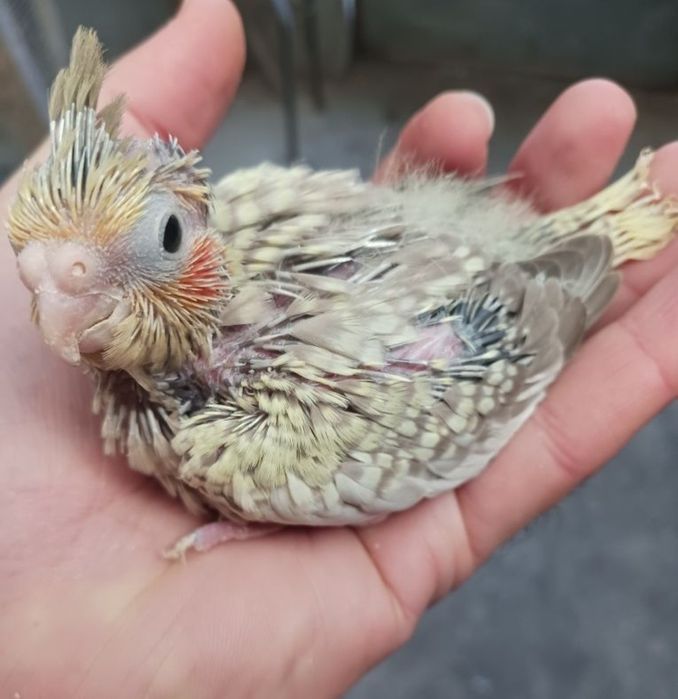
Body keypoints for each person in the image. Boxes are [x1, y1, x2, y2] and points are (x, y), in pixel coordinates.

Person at [1, 0, 677, 696]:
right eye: (35, 278)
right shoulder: (233, 211)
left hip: (471, 307)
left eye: (167, 239)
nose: (59, 311)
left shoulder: (242, 442)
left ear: (197, 221)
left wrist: (257, 501)